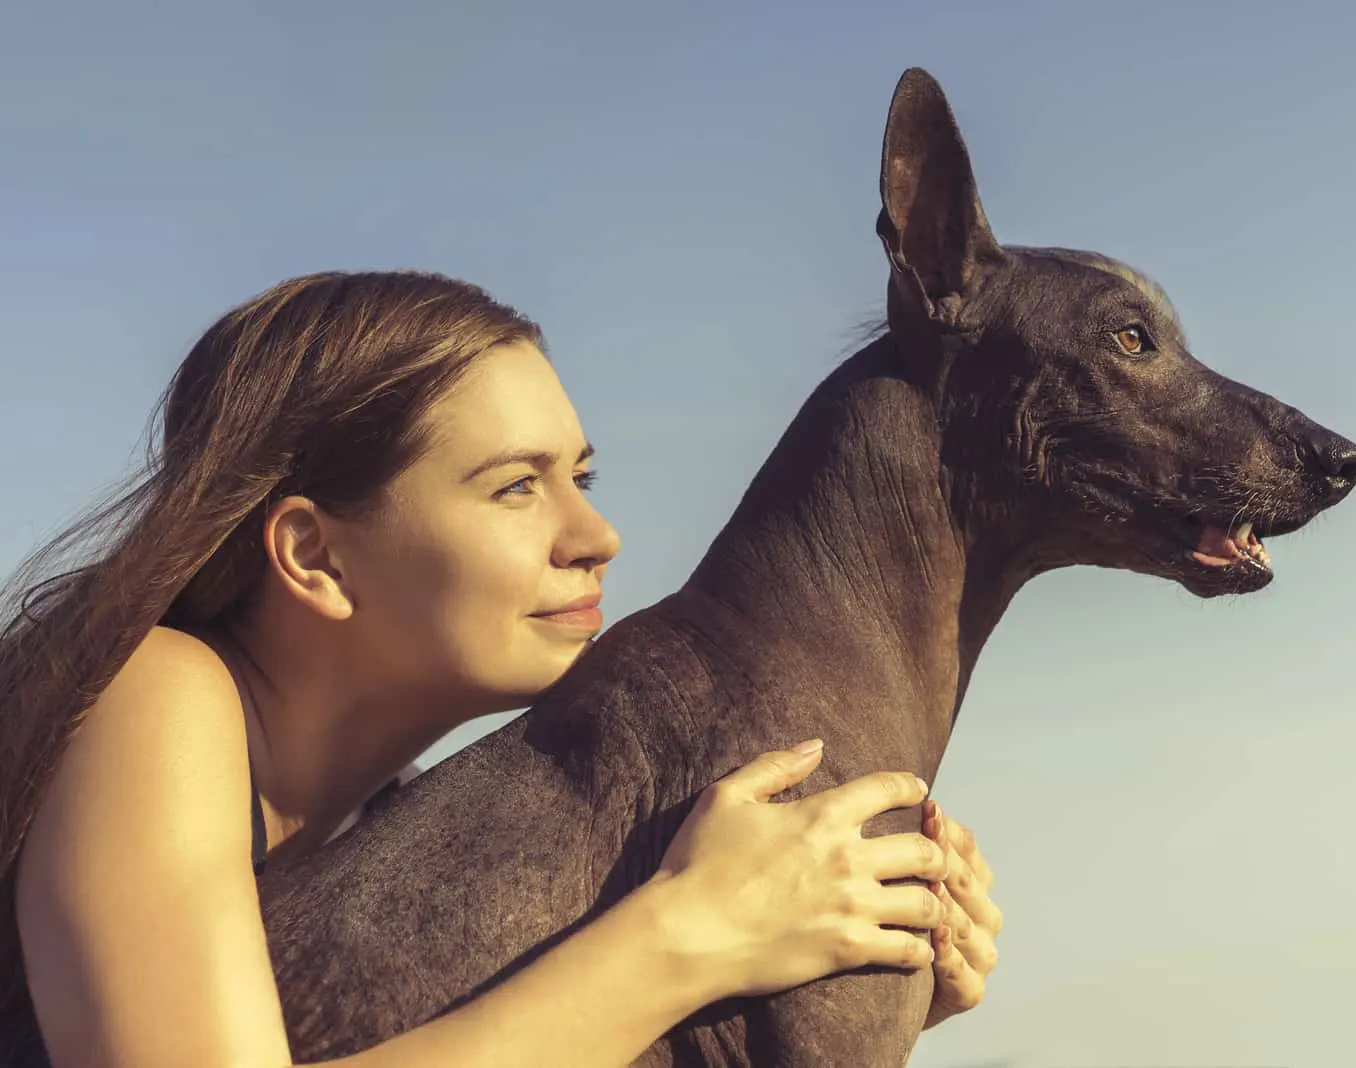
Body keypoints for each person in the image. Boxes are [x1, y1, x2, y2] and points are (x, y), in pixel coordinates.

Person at [0, 271, 1003, 1067]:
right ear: (313, 555)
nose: (597, 534)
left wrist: (858, 977)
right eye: (516, 487)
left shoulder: (379, 828)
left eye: (583, 475)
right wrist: (686, 935)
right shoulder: (150, 695)